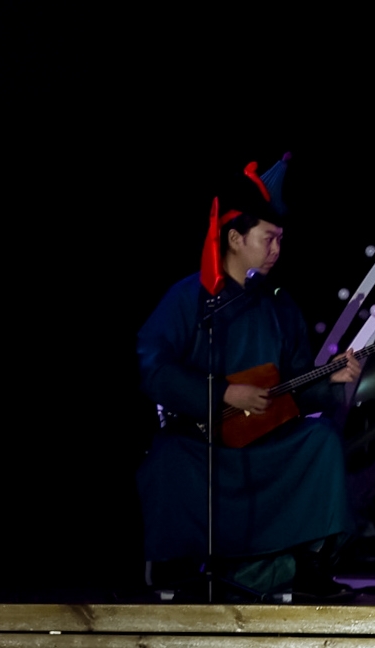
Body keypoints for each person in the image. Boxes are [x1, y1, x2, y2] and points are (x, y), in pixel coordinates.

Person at [137, 157, 358, 594]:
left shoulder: (280, 305)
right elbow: (153, 366)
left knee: (320, 441)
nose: (277, 250)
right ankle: (177, 565)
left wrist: (329, 380)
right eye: (268, 238)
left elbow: (293, 386)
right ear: (235, 239)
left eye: (280, 240)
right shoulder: (187, 298)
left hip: (266, 440)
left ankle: (309, 563)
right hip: (202, 442)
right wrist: (223, 393)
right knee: (168, 455)